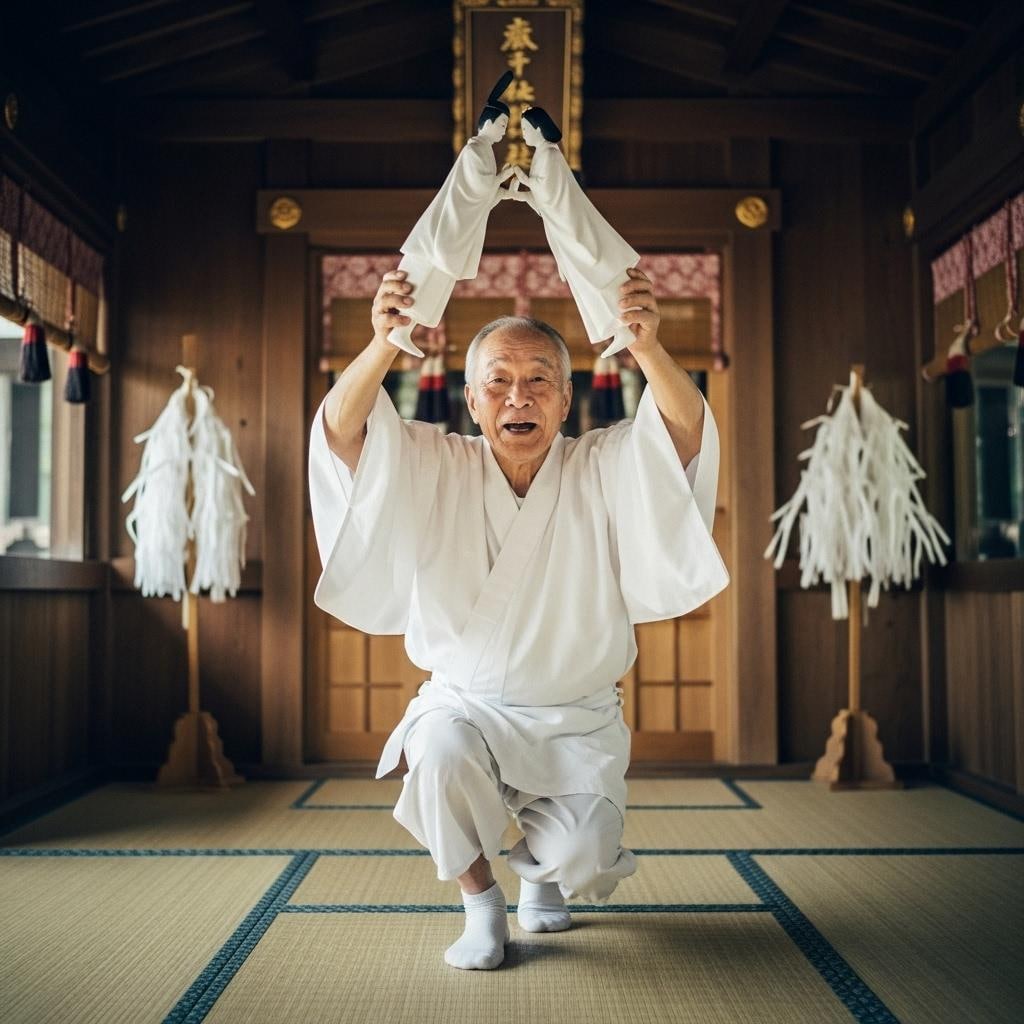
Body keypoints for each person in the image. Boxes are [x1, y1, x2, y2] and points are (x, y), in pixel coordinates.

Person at [308, 268, 729, 970]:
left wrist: (650, 349)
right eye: (498, 380)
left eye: (539, 379)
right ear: (470, 399)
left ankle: (541, 876)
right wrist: (382, 345)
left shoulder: (603, 462)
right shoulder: (432, 461)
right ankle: (481, 902)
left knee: (586, 861)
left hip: (574, 716)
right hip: (466, 706)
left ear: (568, 398)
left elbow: (684, 434)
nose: (518, 395)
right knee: (437, 752)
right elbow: (344, 434)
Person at [387, 71, 517, 356]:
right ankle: (400, 328)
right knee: (421, 277)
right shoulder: (475, 149)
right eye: (503, 124)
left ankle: (406, 329)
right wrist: (498, 181)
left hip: (456, 229)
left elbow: (479, 194)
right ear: (488, 123)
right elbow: (477, 189)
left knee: (436, 283)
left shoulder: (484, 151)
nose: (505, 130)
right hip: (444, 229)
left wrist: (503, 188)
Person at [508, 107, 641, 358]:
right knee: (587, 284)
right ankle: (618, 329)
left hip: (573, 231)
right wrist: (525, 194)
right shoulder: (542, 156)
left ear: (538, 129)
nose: (523, 134)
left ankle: (622, 326)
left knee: (595, 278)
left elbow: (552, 195)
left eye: (526, 129)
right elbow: (549, 201)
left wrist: (525, 181)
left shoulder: (549, 155)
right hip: (563, 230)